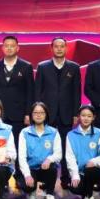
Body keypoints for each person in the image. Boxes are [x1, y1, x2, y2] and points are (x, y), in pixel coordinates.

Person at [34, 36, 81, 187]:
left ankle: (65, 178)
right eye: (56, 46)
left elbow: (76, 92)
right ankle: (46, 179)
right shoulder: (43, 67)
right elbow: (37, 92)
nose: (59, 49)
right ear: (52, 48)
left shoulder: (74, 67)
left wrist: (76, 114)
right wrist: (38, 113)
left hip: (67, 114)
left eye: (62, 46)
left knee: (66, 147)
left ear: (66, 48)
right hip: (47, 115)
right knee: (46, 147)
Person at [16, 102, 62, 199]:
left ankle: (50, 194)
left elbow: (58, 154)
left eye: (41, 112)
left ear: (46, 115)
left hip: (46, 168)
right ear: (31, 115)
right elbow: (22, 157)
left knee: (52, 168)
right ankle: (31, 190)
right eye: (35, 112)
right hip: (31, 168)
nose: (38, 115)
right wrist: (27, 175)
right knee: (27, 186)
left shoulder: (54, 132)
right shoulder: (24, 132)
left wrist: (49, 159)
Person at [0, 35, 35, 141]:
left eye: (12, 46)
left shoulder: (26, 66)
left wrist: (28, 113)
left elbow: (30, 92)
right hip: (0, 114)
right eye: (6, 46)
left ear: (17, 48)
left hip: (19, 115)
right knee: (0, 142)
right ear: (2, 48)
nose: (9, 48)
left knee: (17, 142)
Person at [65, 105, 100, 199]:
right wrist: (75, 175)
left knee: (90, 171)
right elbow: (70, 157)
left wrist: (93, 161)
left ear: (93, 118)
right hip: (80, 171)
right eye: (83, 115)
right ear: (78, 117)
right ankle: (89, 187)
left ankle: (89, 194)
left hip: (95, 170)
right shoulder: (71, 134)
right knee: (75, 188)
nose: (86, 118)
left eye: (89, 116)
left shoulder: (99, 133)